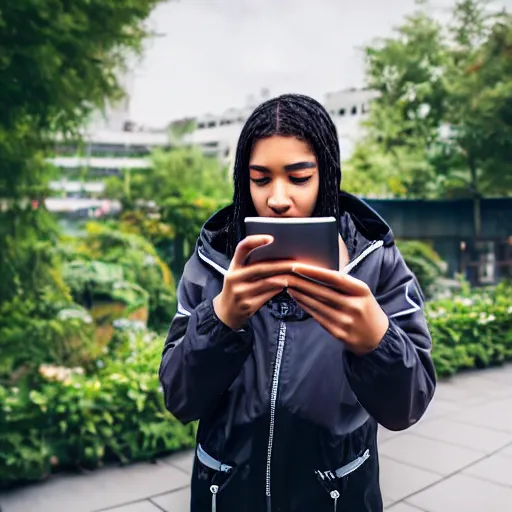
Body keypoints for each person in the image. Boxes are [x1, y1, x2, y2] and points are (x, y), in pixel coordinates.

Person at [159, 94, 436, 512]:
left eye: (299, 177)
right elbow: (179, 398)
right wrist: (221, 319)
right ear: (242, 180)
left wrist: (375, 341)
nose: (278, 198)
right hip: (226, 496)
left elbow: (407, 406)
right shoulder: (212, 263)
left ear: (327, 175)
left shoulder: (374, 261)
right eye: (260, 179)